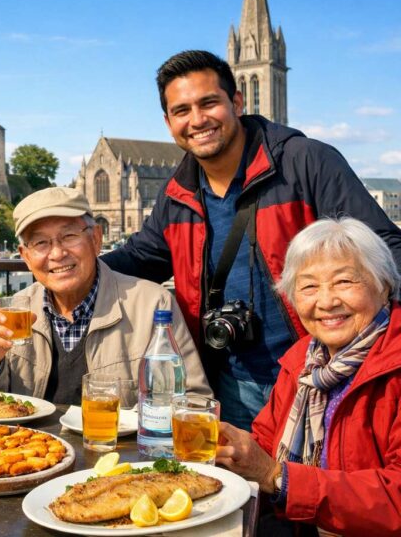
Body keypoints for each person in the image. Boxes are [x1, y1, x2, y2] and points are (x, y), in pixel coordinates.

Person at [102, 50, 401, 430]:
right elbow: (141, 257)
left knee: (316, 487)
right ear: (168, 122)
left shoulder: (306, 162)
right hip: (231, 388)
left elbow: (386, 250)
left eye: (209, 103)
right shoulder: (178, 190)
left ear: (237, 101)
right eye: (182, 111)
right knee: (242, 488)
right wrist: (72, 267)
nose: (197, 120)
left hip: (326, 379)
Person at [216, 218, 401, 536]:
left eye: (344, 282)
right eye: (309, 287)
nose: (326, 302)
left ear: (383, 285)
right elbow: (264, 442)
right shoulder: (303, 360)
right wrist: (223, 451)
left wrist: (278, 477)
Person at [0, 187, 211, 404]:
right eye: (40, 243)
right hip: (31, 454)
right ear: (25, 256)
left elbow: (193, 400)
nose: (57, 253)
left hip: (119, 457)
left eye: (69, 236)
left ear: (96, 239)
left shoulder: (154, 305)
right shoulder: (18, 307)